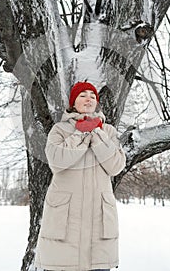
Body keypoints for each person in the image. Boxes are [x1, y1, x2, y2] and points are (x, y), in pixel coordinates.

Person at [34, 81, 126, 271]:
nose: (89, 99)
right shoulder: (59, 130)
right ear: (73, 102)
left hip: (99, 222)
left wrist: (97, 134)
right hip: (65, 221)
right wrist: (80, 134)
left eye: (93, 96)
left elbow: (116, 165)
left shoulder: (108, 131)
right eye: (83, 95)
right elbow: (57, 161)